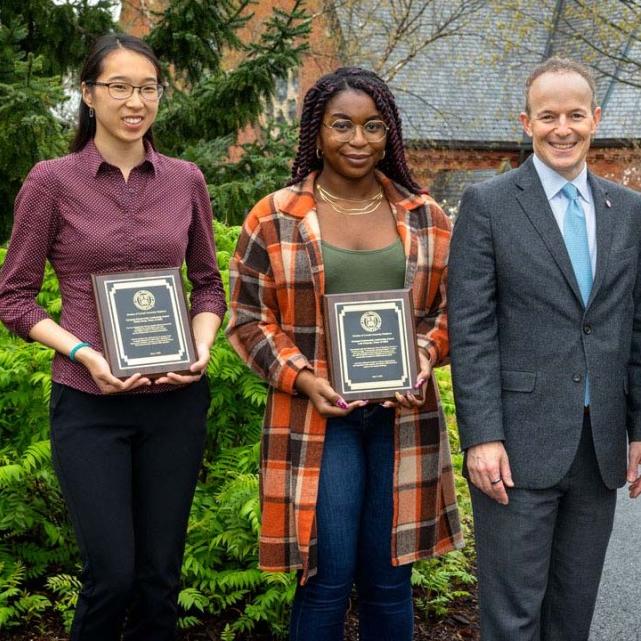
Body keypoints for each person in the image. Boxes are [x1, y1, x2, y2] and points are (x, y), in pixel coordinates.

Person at [0, 34, 226, 641]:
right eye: (120, 87)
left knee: (159, 580)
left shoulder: (186, 181)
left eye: (148, 87)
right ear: (88, 94)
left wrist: (201, 347)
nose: (136, 101)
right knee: (112, 577)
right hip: (89, 401)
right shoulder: (52, 182)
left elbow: (208, 286)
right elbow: (14, 299)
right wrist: (83, 352)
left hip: (175, 402)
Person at [226, 66, 463, 641]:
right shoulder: (276, 214)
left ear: (390, 133)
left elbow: (454, 312)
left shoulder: (426, 217)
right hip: (316, 421)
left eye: (373, 126)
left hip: (403, 419)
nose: (358, 140)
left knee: (390, 580)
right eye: (342, 126)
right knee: (326, 578)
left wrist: (426, 355)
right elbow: (248, 319)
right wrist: (304, 378)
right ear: (317, 131)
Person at [448, 56, 641, 641]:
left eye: (576, 114)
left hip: (598, 445)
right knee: (514, 617)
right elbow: (472, 327)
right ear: (525, 122)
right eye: (548, 115)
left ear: (595, 119)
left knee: (573, 614)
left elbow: (633, 328)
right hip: (517, 447)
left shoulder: (628, 211)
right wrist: (482, 437)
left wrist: (638, 429)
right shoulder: (489, 205)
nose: (563, 128)